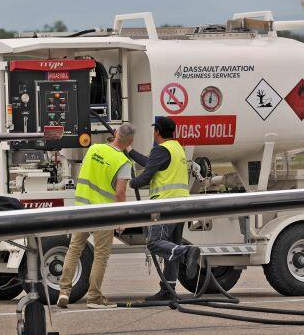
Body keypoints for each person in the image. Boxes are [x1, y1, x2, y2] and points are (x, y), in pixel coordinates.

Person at [57, 123, 135, 309]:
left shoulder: (93, 148)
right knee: (101, 255)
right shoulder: (124, 162)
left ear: (115, 134)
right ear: (130, 141)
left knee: (74, 249)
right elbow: (120, 193)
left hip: (83, 208)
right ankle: (94, 297)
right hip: (104, 214)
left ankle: (64, 292)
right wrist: (121, 218)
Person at [128, 116, 201, 301]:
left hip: (165, 205)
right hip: (182, 205)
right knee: (171, 247)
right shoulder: (176, 148)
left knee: (154, 242)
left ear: (158, 131)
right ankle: (169, 290)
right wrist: (129, 151)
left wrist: (130, 182)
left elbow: (144, 178)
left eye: (154, 130)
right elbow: (150, 162)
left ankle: (187, 252)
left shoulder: (160, 149)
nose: (153, 133)